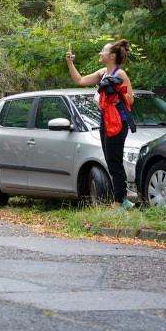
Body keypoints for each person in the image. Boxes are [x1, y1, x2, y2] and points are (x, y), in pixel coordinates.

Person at [67, 38, 135, 209]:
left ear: (112, 56)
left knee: (114, 163)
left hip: (118, 124)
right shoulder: (103, 73)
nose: (100, 53)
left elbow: (130, 99)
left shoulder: (120, 74)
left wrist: (114, 94)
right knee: (111, 162)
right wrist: (70, 62)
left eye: (103, 51)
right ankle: (124, 200)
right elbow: (80, 81)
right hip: (105, 123)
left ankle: (118, 203)